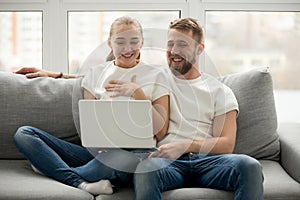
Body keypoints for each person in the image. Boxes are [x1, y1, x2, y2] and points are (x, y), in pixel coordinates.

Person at [15, 18, 264, 200]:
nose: (175, 52)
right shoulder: (156, 76)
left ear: (200, 49)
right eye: (170, 44)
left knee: (249, 165)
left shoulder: (220, 90)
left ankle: (54, 168)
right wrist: (55, 74)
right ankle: (72, 174)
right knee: (145, 168)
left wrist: (186, 145)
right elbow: (101, 76)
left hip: (209, 161)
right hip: (164, 161)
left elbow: (227, 143)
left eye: (183, 45)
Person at [13, 16, 170, 196]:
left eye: (134, 41)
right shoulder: (96, 74)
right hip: (99, 155)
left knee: (117, 159)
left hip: (137, 155)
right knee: (24, 134)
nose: (128, 49)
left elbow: (161, 131)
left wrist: (138, 94)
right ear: (110, 43)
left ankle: (53, 169)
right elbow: (91, 124)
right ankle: (82, 182)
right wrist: (97, 145)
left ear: (142, 42)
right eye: (120, 41)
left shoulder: (157, 75)